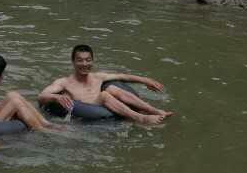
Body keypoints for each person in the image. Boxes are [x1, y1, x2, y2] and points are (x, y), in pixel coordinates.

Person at [39, 44, 172, 125]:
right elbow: (42, 96)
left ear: (93, 60)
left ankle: (154, 111)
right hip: (89, 112)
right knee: (104, 95)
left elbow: (123, 76)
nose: (84, 64)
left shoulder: (98, 77)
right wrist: (56, 97)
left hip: (109, 108)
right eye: (80, 60)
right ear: (73, 62)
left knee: (112, 88)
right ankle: (141, 118)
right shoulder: (64, 82)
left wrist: (145, 80)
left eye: (88, 60)